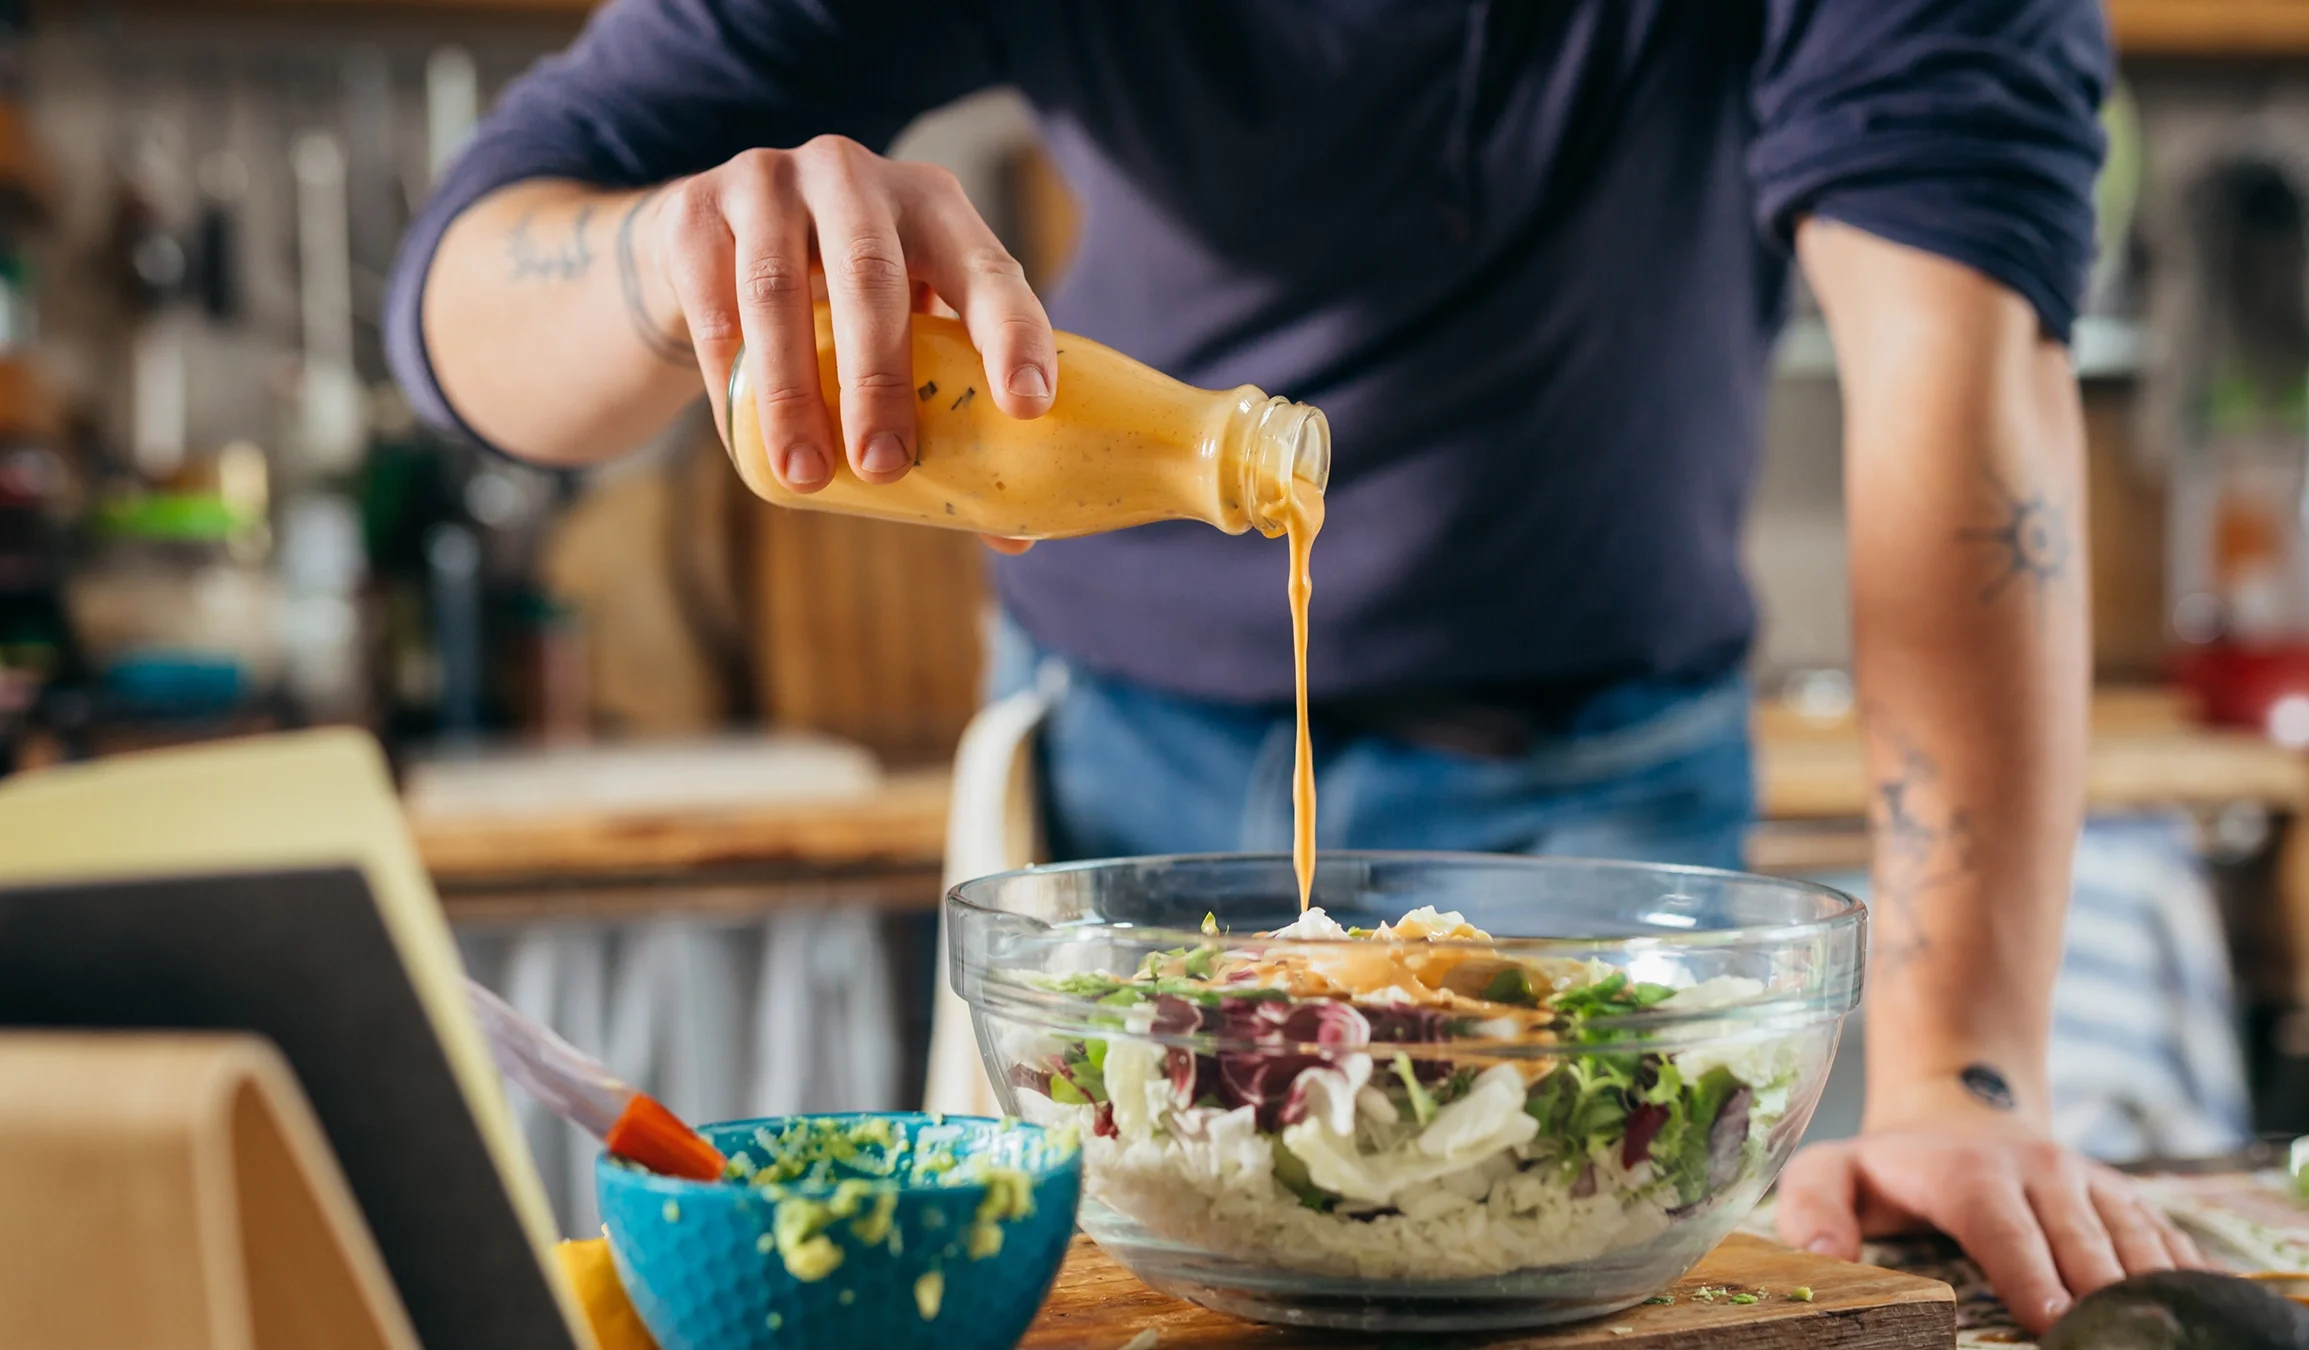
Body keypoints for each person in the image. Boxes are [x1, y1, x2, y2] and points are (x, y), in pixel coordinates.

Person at [389, 0, 2208, 1330]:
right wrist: (665, 258)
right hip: (1104, 814)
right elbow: (469, 302)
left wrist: (1966, 1070)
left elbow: (1955, 374)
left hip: (1606, 802)